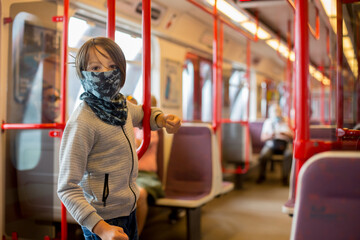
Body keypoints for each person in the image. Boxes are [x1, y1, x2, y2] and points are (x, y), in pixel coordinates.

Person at [57, 37, 181, 240]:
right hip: (103, 220)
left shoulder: (120, 105)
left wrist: (163, 118)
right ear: (83, 74)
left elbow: (143, 114)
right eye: (95, 68)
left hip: (128, 210)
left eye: (113, 66)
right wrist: (101, 228)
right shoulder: (82, 121)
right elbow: (66, 188)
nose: (105, 74)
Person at [256, 103, 293, 186]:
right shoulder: (268, 122)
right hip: (271, 144)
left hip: (285, 144)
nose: (277, 113)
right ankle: (261, 176)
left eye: (278, 111)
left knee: (289, 154)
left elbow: (293, 136)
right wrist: (270, 135)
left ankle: (285, 177)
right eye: (275, 111)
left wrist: (286, 134)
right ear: (270, 112)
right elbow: (263, 138)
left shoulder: (286, 121)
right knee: (263, 156)